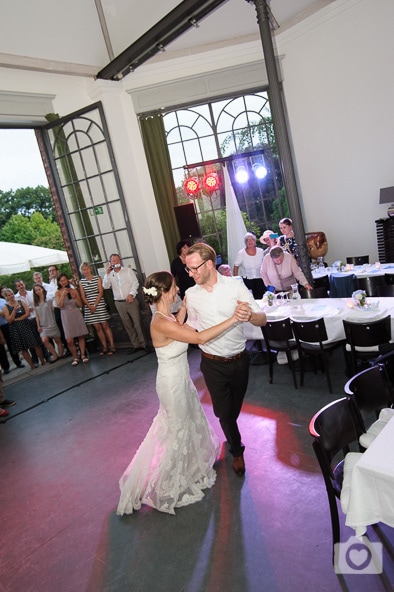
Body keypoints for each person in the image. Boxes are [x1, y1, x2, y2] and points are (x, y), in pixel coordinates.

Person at [116, 271, 248, 516]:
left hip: (180, 379)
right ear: (165, 292)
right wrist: (233, 319)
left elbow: (178, 323)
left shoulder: (165, 315)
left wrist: (185, 307)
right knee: (176, 428)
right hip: (171, 384)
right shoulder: (160, 322)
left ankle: (189, 467)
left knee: (183, 423)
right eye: (175, 287)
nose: (178, 290)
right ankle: (167, 481)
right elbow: (198, 337)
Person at [185, 243, 267, 476]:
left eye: (194, 268)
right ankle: (236, 450)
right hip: (211, 363)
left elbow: (262, 320)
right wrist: (176, 328)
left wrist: (250, 315)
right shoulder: (191, 295)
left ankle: (230, 433)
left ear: (209, 264)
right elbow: (193, 323)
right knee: (223, 411)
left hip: (240, 361)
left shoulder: (235, 286)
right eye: (188, 269)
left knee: (231, 410)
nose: (190, 274)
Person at [102, 253, 151, 354]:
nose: (116, 262)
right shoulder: (110, 274)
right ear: (110, 263)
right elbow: (106, 286)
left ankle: (144, 344)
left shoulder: (128, 271)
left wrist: (131, 294)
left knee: (137, 323)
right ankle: (135, 345)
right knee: (127, 324)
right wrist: (106, 274)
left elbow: (135, 283)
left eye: (118, 260)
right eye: (114, 261)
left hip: (131, 301)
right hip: (119, 303)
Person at [2, 289, 46, 370]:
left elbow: (27, 313)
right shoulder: (6, 307)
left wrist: (19, 319)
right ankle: (32, 366)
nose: (11, 296)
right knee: (23, 348)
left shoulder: (20, 302)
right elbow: (9, 320)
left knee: (35, 344)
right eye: (9, 295)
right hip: (16, 329)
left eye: (12, 294)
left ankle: (42, 361)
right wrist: (14, 310)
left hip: (26, 325)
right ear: (6, 297)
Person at [79, 262, 115, 355]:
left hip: (99, 304)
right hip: (89, 306)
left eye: (87, 269)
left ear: (90, 269)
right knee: (97, 327)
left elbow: (101, 292)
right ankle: (104, 347)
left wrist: (94, 305)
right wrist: (89, 306)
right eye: (84, 270)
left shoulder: (97, 278)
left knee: (105, 325)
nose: (86, 271)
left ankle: (112, 345)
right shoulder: (81, 282)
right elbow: (83, 296)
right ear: (82, 271)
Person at [55, 273, 89, 366]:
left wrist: (74, 297)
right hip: (65, 315)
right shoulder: (57, 292)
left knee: (80, 336)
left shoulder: (73, 290)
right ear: (59, 282)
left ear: (67, 280)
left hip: (75, 312)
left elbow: (80, 305)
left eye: (65, 280)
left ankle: (83, 355)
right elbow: (59, 305)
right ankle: (75, 357)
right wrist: (63, 295)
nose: (63, 282)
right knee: (69, 340)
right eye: (61, 280)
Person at [33, 283, 64, 362]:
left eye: (39, 289)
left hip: (51, 321)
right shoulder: (36, 302)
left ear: (42, 289)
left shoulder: (48, 299)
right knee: (44, 340)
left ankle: (60, 354)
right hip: (43, 324)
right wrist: (38, 326)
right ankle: (54, 354)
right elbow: (37, 315)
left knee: (57, 340)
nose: (38, 291)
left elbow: (53, 309)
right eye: (36, 290)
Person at [233, 232, 265, 299]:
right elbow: (235, 267)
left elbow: (265, 266)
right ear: (245, 242)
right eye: (247, 240)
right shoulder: (241, 253)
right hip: (247, 281)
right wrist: (236, 281)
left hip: (260, 280)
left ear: (255, 241)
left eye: (252, 239)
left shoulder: (261, 251)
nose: (250, 241)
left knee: (261, 300)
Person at [0, 285, 25, 372]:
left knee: (11, 344)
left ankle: (18, 362)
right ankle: (5, 367)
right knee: (1, 349)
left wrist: (3, 313)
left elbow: (7, 311)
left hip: (6, 325)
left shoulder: (2, 301)